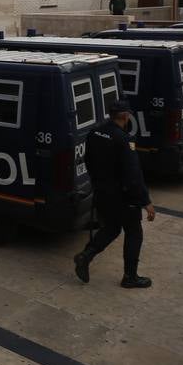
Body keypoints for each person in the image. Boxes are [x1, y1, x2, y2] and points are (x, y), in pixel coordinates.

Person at [73, 100, 155, 289]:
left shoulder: (94, 133)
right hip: (123, 197)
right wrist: (145, 201)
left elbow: (88, 161)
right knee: (134, 232)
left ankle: (86, 256)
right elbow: (133, 175)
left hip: (102, 193)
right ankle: (130, 277)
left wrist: (98, 184)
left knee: (111, 228)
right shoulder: (125, 140)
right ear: (126, 116)